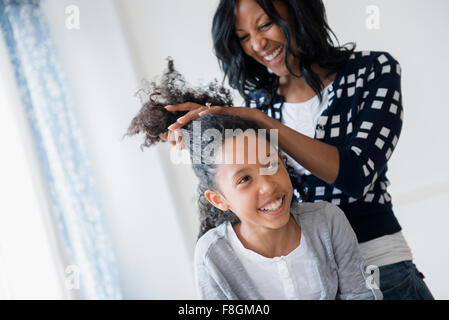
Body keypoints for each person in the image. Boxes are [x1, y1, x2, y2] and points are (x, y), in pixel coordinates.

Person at [163, 0, 434, 300]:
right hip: (315, 282)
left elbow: (356, 174)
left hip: (381, 268)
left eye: (265, 24)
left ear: (298, 11)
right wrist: (198, 135)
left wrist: (262, 122)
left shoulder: (372, 71)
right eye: (243, 37)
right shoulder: (258, 105)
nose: (257, 43)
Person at [126, 59, 380, 299]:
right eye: (245, 179)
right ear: (219, 199)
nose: (268, 185)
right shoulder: (213, 256)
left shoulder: (328, 222)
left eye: (271, 164)